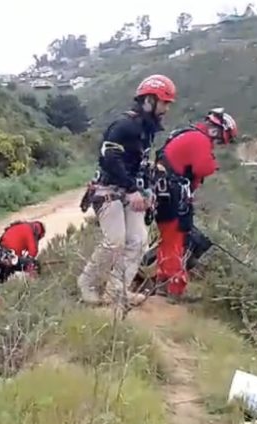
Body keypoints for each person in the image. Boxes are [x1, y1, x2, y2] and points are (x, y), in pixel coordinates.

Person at [77, 74, 176, 309]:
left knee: (139, 240)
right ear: (149, 101)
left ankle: (116, 290)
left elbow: (140, 164)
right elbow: (109, 157)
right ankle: (87, 284)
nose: (166, 109)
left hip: (130, 192)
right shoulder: (124, 126)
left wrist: (147, 191)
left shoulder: (147, 131)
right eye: (164, 103)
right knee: (115, 240)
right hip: (108, 190)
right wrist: (132, 189)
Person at [152, 107, 238, 303]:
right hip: (173, 195)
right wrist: (212, 162)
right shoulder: (200, 140)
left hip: (166, 193)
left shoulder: (188, 134)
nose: (219, 143)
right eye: (222, 139)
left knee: (168, 240)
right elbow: (203, 167)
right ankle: (175, 290)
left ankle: (162, 285)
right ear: (218, 130)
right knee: (176, 241)